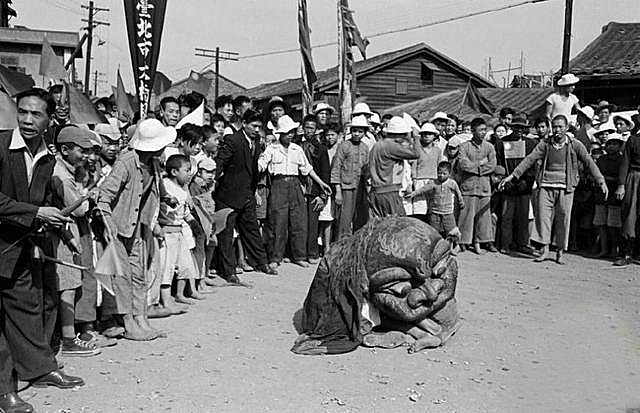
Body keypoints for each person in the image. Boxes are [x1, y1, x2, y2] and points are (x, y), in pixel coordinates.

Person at [0, 88, 85, 413]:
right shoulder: (1, 145)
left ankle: (41, 368)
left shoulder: (48, 158)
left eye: (36, 114)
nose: (27, 120)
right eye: (23, 112)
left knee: (26, 311)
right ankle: (4, 391)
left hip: (21, 247)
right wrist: (35, 214)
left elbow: (41, 203)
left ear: (50, 119)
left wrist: (51, 220)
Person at [97, 118, 177, 340]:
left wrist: (166, 197)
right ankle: (128, 322)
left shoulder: (153, 163)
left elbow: (155, 186)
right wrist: (109, 225)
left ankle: (141, 318)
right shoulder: (126, 163)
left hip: (138, 227)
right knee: (122, 278)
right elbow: (104, 196)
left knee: (139, 275)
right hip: (119, 227)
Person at [500, 115, 607, 264]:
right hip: (545, 186)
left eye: (560, 127)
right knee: (543, 218)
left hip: (566, 187)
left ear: (566, 128)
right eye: (555, 126)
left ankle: (560, 251)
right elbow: (529, 160)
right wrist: (512, 176)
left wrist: (600, 180)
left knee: (563, 219)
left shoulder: (575, 144)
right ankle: (544, 250)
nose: (557, 130)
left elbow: (588, 162)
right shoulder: (545, 144)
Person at [50, 126, 103, 357]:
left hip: (67, 232)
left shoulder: (67, 171)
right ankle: (69, 339)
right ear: (65, 149)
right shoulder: (62, 176)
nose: (86, 156)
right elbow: (79, 209)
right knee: (68, 286)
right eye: (81, 151)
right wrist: (89, 195)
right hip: (65, 234)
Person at [214, 109, 278, 283]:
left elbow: (253, 169)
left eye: (259, 126)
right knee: (226, 235)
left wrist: (254, 190)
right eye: (253, 126)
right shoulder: (232, 140)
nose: (257, 130)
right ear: (244, 124)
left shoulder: (256, 142)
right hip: (228, 195)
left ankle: (261, 262)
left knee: (252, 230)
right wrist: (212, 181)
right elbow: (220, 163)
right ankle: (228, 271)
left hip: (247, 193)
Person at [259, 116, 330, 268]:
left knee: (299, 221)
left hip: (295, 185)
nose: (290, 135)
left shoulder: (296, 149)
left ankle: (300, 256)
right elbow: (260, 165)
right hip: (278, 185)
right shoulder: (271, 148)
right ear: (279, 134)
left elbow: (307, 169)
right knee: (278, 222)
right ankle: (275, 257)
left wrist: (322, 183)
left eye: (291, 132)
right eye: (286, 132)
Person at [159, 154, 201, 306]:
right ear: (174, 172)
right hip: (168, 232)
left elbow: (185, 213)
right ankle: (165, 300)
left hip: (180, 231)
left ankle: (180, 294)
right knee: (168, 267)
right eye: (187, 170)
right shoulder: (164, 186)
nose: (189, 173)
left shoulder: (183, 191)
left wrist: (194, 223)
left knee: (185, 264)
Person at [493, 116, 537, 254]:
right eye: (516, 127)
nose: (519, 130)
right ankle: (506, 244)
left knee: (523, 217)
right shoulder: (502, 143)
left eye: (522, 127)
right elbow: (499, 164)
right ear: (511, 127)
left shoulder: (531, 143)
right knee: (507, 216)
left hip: (525, 186)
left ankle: (522, 244)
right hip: (508, 185)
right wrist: (504, 180)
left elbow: (534, 165)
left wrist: (527, 181)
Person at [457, 118, 498, 254]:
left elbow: (492, 165)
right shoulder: (464, 146)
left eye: (484, 130)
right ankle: (462, 243)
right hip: (468, 187)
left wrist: (477, 168)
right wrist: (481, 163)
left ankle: (478, 242)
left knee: (483, 218)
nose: (483, 133)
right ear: (473, 131)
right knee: (466, 217)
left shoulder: (489, 147)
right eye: (480, 130)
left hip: (484, 188)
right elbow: (463, 165)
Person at [368, 116, 419, 217]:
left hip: (377, 192)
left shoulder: (378, 145)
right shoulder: (391, 146)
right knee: (399, 225)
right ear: (399, 134)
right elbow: (416, 154)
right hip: (389, 192)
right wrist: (416, 137)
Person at [405, 161, 464, 245]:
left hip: (448, 213)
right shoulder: (433, 183)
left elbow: (458, 193)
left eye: (444, 173)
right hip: (435, 213)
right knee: (434, 232)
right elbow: (423, 189)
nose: (441, 175)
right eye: (439, 173)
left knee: (452, 231)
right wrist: (413, 194)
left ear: (449, 173)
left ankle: (454, 246)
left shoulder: (452, 183)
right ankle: (435, 247)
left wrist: (461, 202)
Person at [331, 116, 370, 237]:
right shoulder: (344, 146)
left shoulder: (365, 147)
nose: (357, 134)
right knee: (345, 219)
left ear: (364, 133)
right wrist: (337, 190)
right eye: (355, 131)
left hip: (360, 187)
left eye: (360, 131)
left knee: (360, 217)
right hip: (346, 187)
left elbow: (367, 169)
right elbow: (336, 167)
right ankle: (341, 245)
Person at [301, 115, 330, 264]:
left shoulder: (321, 148)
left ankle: (312, 253)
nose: (308, 131)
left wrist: (323, 196)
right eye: (306, 127)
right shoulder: (296, 145)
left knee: (313, 224)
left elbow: (325, 173)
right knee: (299, 223)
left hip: (315, 190)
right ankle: (298, 253)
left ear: (316, 130)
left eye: (311, 128)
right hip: (299, 189)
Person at [593, 133, 626, 258]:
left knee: (614, 225)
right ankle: (604, 249)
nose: (611, 146)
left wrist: (607, 179)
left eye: (614, 144)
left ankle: (614, 249)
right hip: (601, 196)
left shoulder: (622, 160)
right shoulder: (601, 159)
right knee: (600, 224)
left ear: (619, 145)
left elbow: (621, 178)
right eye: (609, 144)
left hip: (614, 196)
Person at [615, 117, 640, 266]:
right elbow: (625, 162)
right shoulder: (633, 139)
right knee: (629, 214)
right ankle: (626, 253)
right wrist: (621, 185)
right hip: (634, 177)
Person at [409, 122, 444, 219]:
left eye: (429, 134)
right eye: (424, 134)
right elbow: (414, 166)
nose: (426, 136)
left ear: (434, 136)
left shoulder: (437, 150)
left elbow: (439, 165)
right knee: (419, 208)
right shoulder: (418, 149)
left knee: (433, 208)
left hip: (433, 180)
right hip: (420, 180)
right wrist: (414, 179)